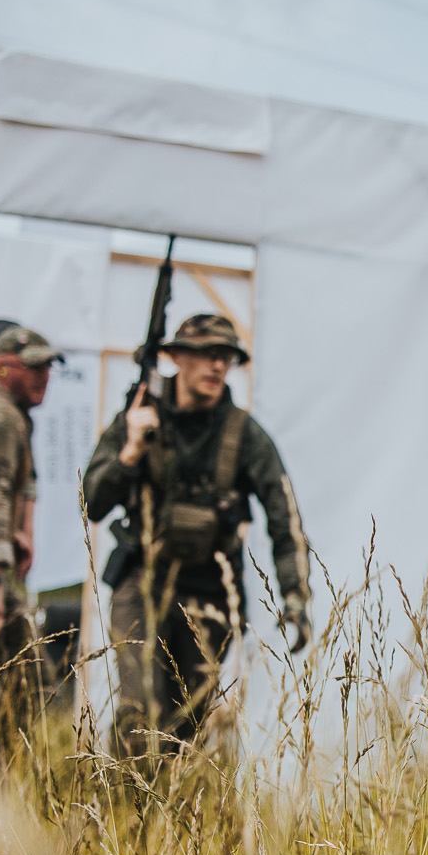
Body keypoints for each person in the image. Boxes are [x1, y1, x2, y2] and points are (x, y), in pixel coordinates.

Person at [83, 313, 311, 766]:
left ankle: (176, 827)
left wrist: (295, 598)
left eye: (225, 358)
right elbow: (92, 500)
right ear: (175, 358)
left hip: (210, 591)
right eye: (207, 355)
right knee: (137, 712)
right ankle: (124, 823)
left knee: (190, 721)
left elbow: (285, 519)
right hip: (141, 582)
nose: (217, 367)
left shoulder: (243, 433)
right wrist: (131, 450)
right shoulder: (138, 415)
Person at [0, 323, 60, 742]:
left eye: (48, 367)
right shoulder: (0, 414)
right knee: (28, 675)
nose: (44, 376)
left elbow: (15, 485)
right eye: (33, 367)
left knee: (17, 676)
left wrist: (21, 530)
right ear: (1, 368)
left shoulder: (9, 413)